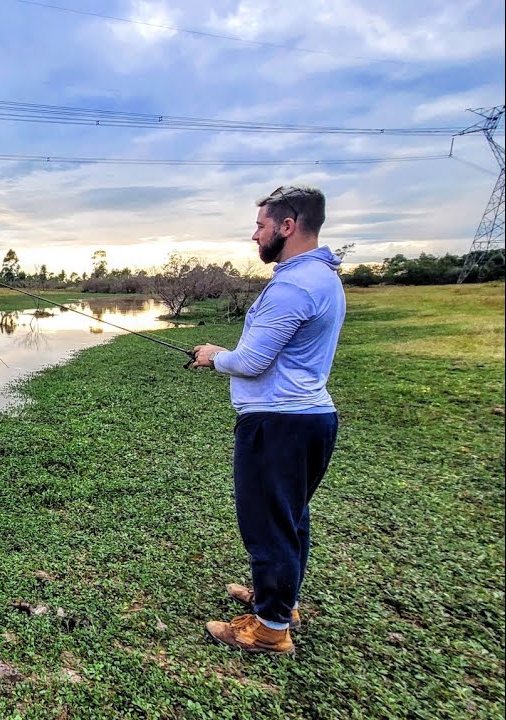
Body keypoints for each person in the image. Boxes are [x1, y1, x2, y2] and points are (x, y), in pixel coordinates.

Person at [189, 184, 345, 655]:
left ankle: (270, 628)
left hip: (279, 425)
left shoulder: (295, 285)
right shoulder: (321, 276)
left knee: (268, 524)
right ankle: (281, 600)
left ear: (287, 226)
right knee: (289, 517)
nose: (254, 234)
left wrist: (214, 355)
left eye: (260, 225)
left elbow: (252, 361)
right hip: (307, 418)